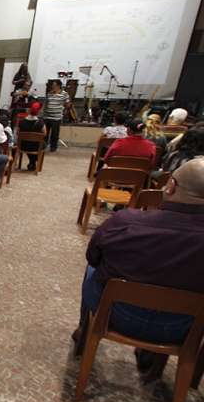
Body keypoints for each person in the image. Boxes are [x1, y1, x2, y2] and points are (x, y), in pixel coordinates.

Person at [73, 159, 204, 372]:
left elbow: (93, 257)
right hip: (183, 329)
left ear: (170, 186)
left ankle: (84, 330)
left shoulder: (124, 221)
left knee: (92, 270)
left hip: (115, 315)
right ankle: (155, 359)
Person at [19, 101, 47, 171]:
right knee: (42, 144)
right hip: (36, 147)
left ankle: (32, 162)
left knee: (30, 144)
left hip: (23, 145)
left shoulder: (22, 122)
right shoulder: (41, 123)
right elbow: (44, 134)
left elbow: (18, 133)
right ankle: (33, 162)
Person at [43, 79, 69, 152]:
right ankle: (44, 145)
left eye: (54, 85)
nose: (53, 87)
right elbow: (46, 104)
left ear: (59, 86)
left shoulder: (64, 94)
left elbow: (67, 103)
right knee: (45, 133)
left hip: (56, 117)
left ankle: (53, 147)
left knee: (55, 133)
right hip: (47, 116)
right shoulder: (49, 93)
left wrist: (64, 110)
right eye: (52, 85)